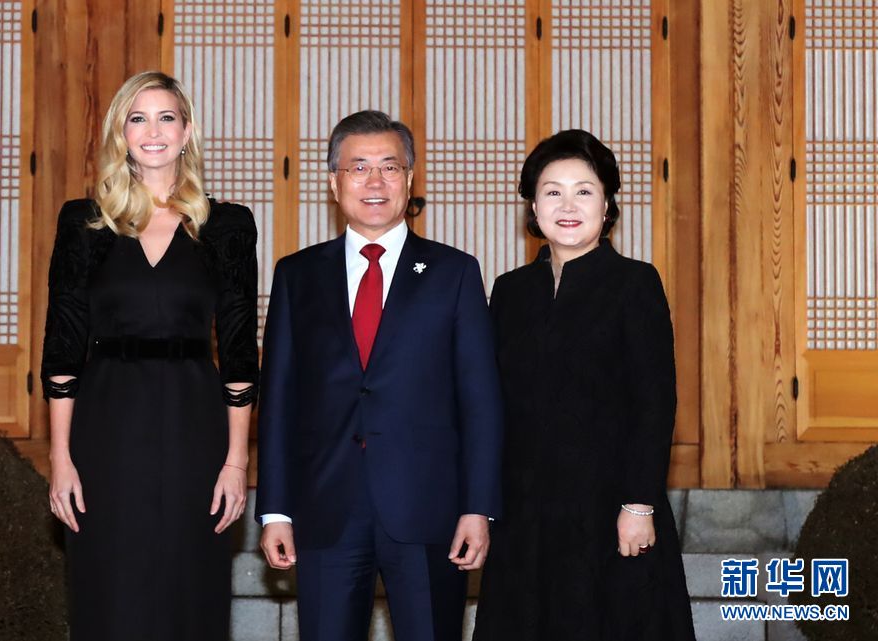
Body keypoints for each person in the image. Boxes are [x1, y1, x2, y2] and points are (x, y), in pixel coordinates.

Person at [254, 110, 503, 641]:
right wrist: (274, 510)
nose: (375, 181)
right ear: (333, 182)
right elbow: (278, 402)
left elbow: (480, 401)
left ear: (409, 180)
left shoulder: (454, 273)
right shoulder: (297, 275)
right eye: (358, 167)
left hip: (428, 510)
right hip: (326, 508)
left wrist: (478, 507)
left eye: (389, 167)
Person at [40, 70, 258, 641]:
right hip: (106, 425)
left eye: (166, 118)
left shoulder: (227, 225)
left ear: (186, 131)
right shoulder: (84, 222)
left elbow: (240, 353)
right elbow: (62, 347)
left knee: (190, 584)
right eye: (137, 119)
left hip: (195, 424)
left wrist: (236, 462)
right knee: (111, 586)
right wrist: (61, 458)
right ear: (122, 134)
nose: (153, 131)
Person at [472, 129, 695, 640]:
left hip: (608, 506)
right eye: (552, 192)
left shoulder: (635, 283)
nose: (568, 206)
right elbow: (491, 404)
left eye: (584, 191)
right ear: (533, 207)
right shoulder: (510, 291)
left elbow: (654, 402)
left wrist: (638, 504)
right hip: (525, 511)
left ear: (608, 205)